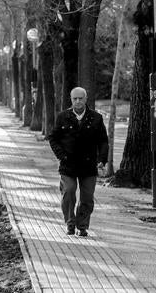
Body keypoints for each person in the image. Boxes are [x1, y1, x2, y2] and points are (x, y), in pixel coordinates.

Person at [47, 86, 108, 237]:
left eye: (81, 98)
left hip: (89, 165)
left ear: (86, 99)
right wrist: (61, 155)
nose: (78, 101)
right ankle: (70, 223)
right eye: (75, 98)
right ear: (71, 100)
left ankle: (82, 226)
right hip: (68, 164)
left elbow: (103, 141)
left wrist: (102, 160)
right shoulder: (63, 116)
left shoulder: (96, 118)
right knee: (68, 191)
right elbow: (53, 138)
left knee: (87, 198)